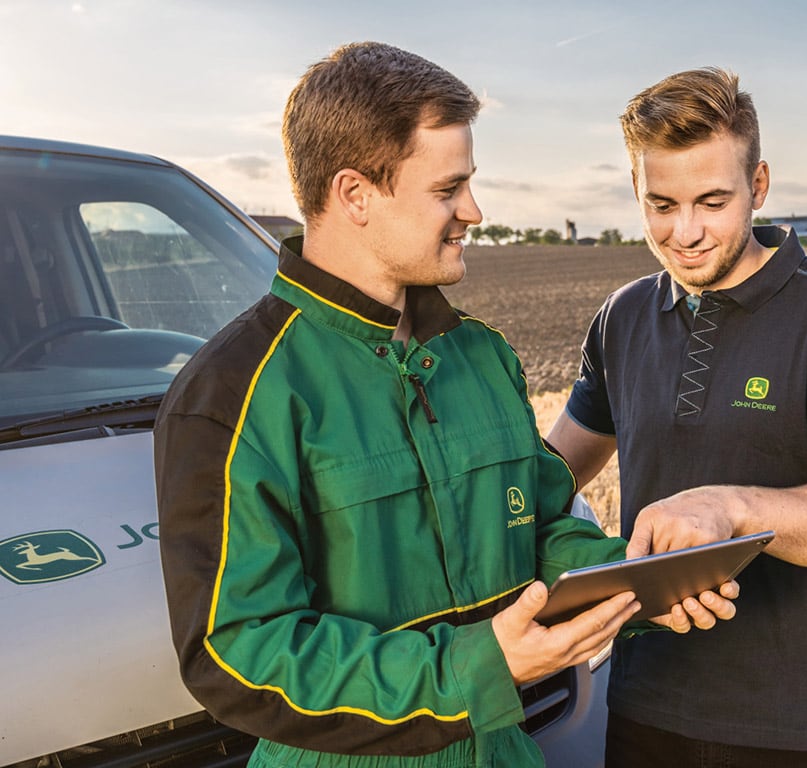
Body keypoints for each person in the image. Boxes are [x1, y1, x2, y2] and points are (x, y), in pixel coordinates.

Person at [154, 42, 729, 768]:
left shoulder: (481, 358)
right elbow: (238, 652)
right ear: (356, 194)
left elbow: (541, 526)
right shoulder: (233, 394)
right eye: (447, 189)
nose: (474, 211)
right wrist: (476, 668)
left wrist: (637, 584)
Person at [547, 68, 807, 767]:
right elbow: (552, 472)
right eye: (661, 205)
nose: (684, 233)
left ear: (760, 185)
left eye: (712, 202)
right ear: (636, 192)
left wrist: (731, 507)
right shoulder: (622, 318)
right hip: (645, 706)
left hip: (802, 726)